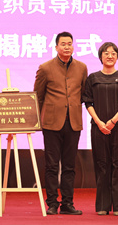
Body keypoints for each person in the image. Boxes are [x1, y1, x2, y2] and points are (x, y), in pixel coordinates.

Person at [33, 32, 87, 215]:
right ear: (56, 47)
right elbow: (38, 96)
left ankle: (67, 203)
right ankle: (51, 203)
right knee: (52, 166)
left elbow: (83, 94)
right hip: (51, 124)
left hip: (73, 122)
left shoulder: (82, 67)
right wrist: (38, 120)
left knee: (69, 166)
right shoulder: (45, 68)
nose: (67, 47)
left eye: (69, 43)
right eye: (63, 44)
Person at [82, 42, 118, 216]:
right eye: (106, 53)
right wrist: (99, 122)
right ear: (100, 56)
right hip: (98, 127)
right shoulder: (92, 78)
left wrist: (113, 121)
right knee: (101, 164)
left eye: (113, 53)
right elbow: (88, 102)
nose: (110, 56)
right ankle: (102, 205)